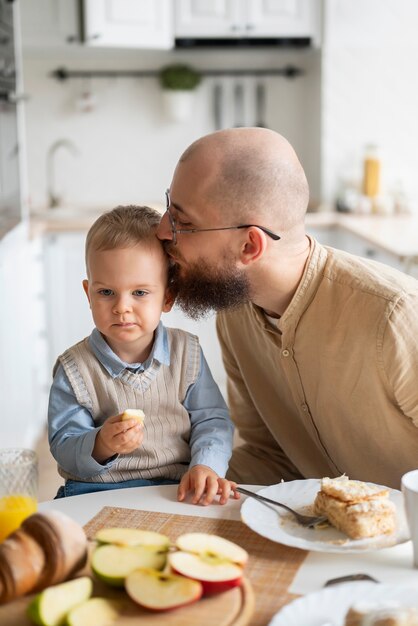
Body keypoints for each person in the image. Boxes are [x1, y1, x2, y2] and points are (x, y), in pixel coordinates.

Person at [156, 127, 418, 490]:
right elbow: (270, 454)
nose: (161, 230)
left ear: (250, 246)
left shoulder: (396, 317)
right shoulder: (235, 314)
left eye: (183, 222)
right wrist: (170, 476)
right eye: (169, 209)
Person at [48, 205, 238, 505]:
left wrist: (205, 465)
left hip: (175, 484)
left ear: (168, 297)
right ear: (88, 293)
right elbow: (64, 446)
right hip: (98, 490)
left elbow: (212, 420)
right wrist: (101, 444)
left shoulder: (186, 353)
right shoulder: (74, 368)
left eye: (139, 293)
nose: (122, 307)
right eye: (106, 292)